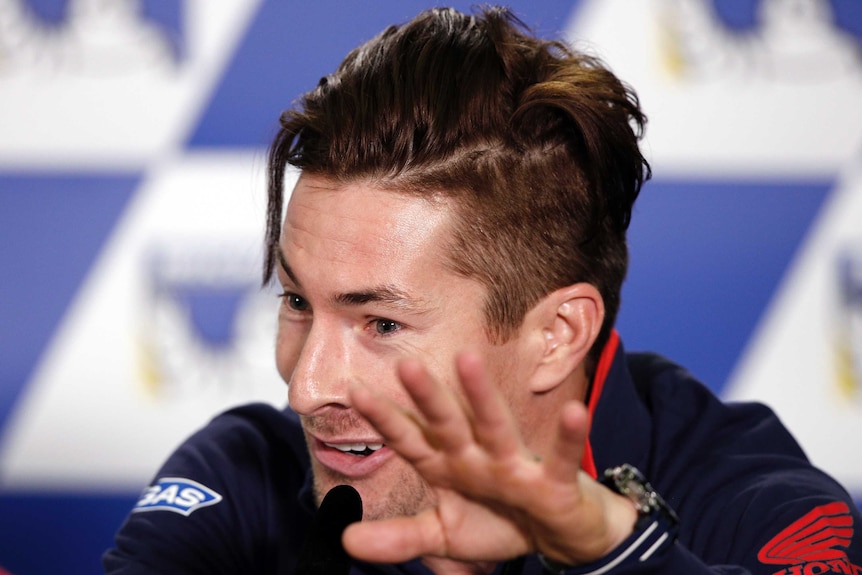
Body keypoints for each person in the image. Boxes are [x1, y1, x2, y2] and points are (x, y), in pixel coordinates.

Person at [103, 6, 862, 575]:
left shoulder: (750, 496)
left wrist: (611, 553)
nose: (306, 387)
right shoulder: (248, 470)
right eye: (299, 301)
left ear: (557, 334)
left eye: (382, 324)